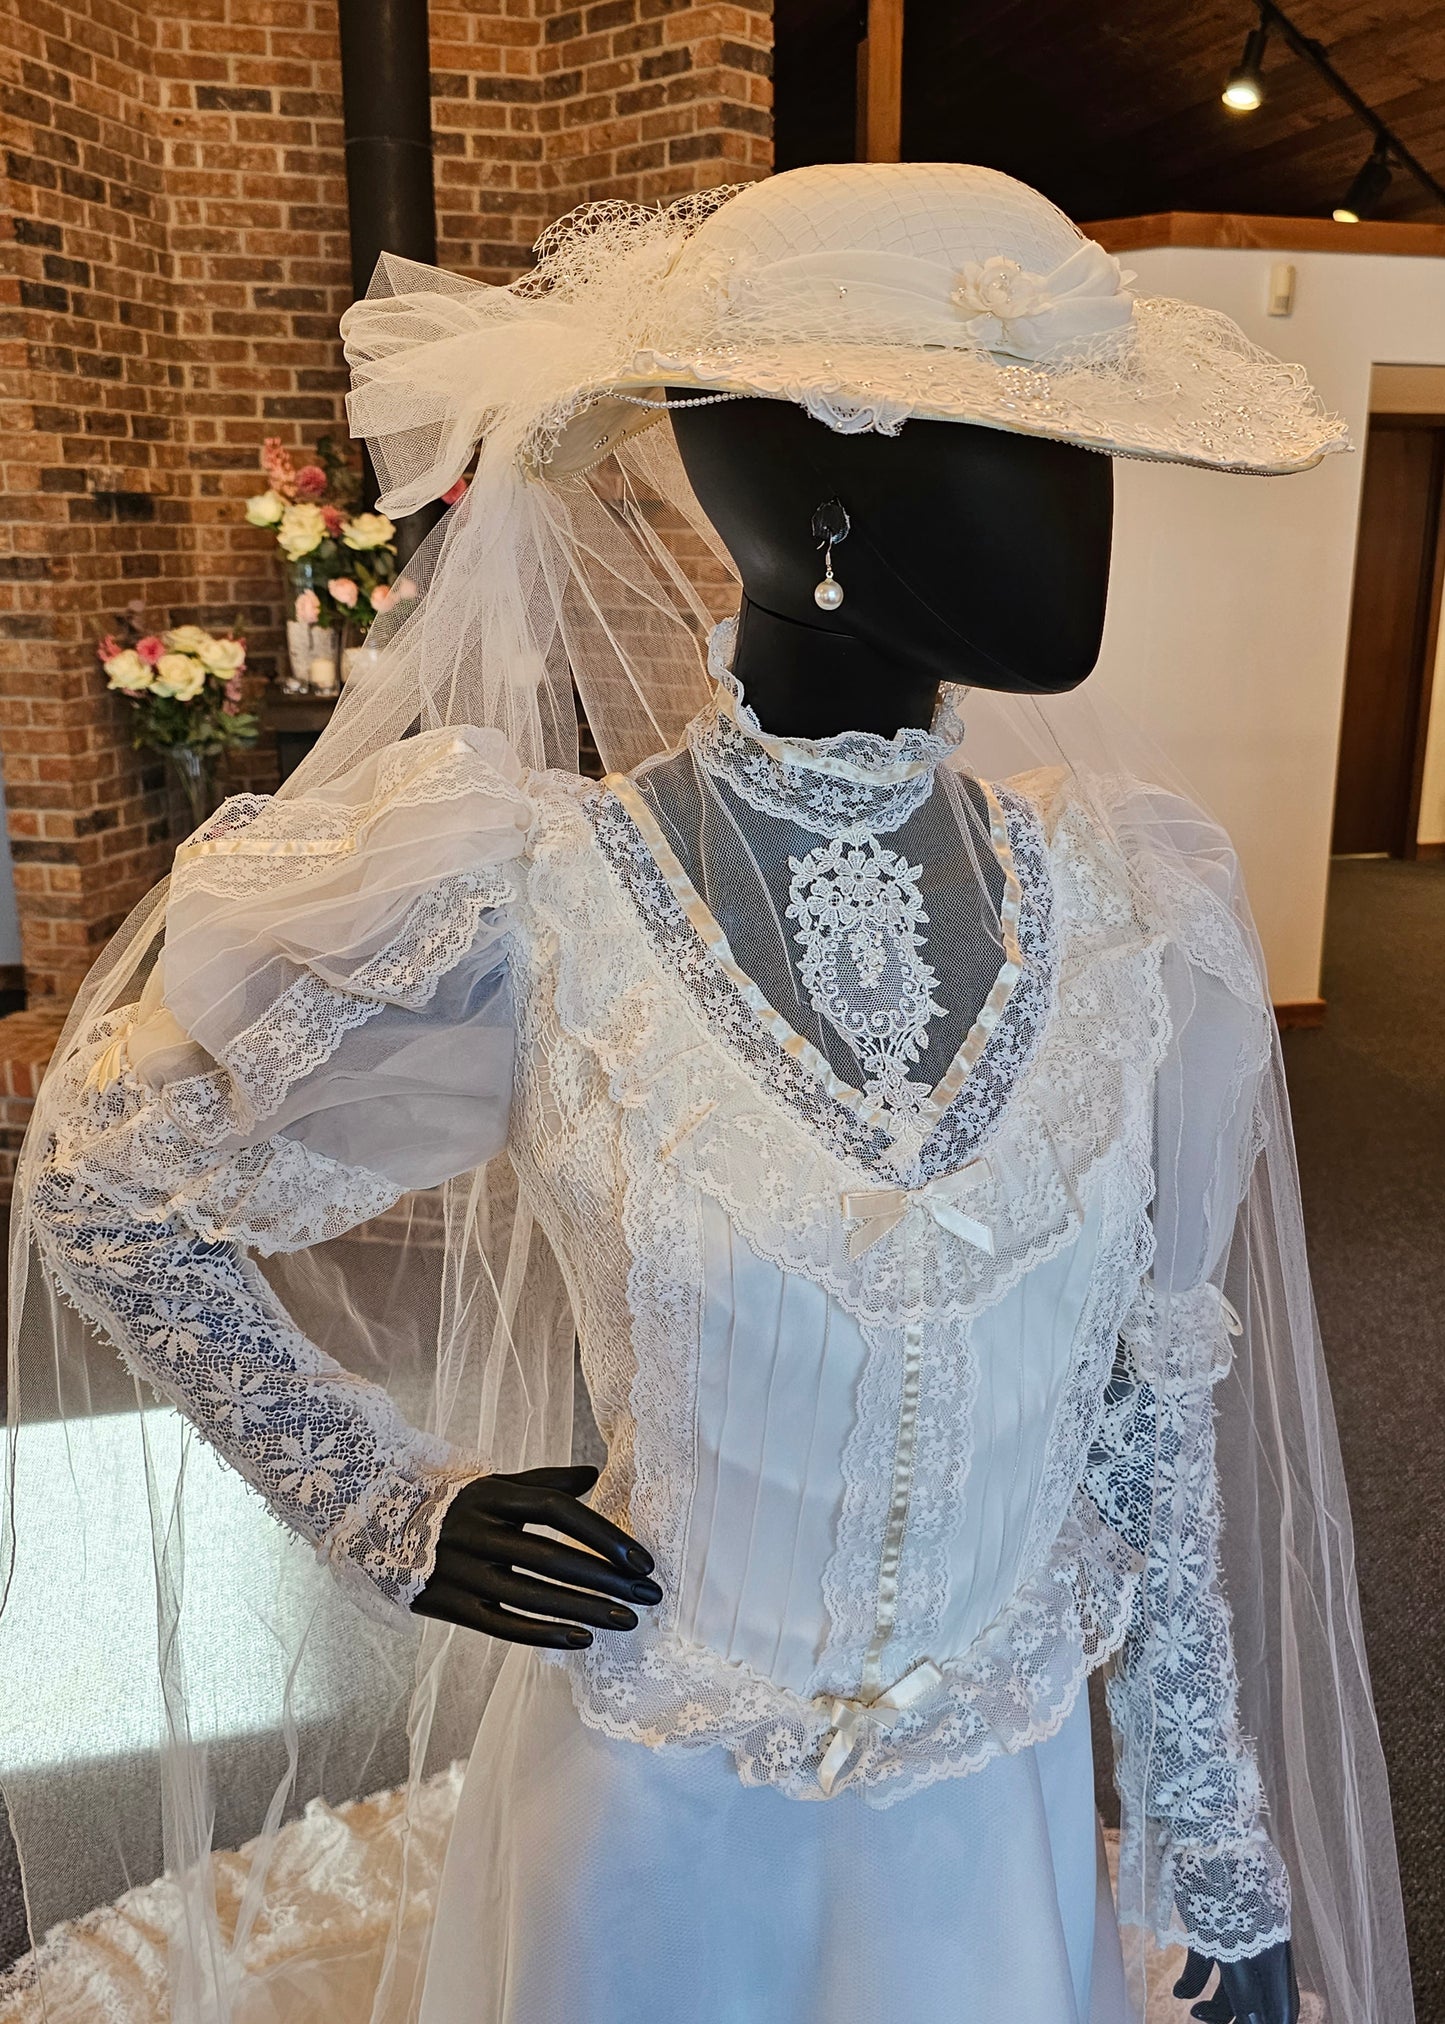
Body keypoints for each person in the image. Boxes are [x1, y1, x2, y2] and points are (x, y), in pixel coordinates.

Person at [2, 163, 1412, 2024]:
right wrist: (382, 1500)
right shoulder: (514, 894)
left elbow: (1145, 1423)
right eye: (1034, 454)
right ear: (824, 509)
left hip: (986, 1839)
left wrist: (1206, 1846)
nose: (1089, 519)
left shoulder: (1141, 906)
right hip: (651, 1832)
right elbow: (105, 1184)